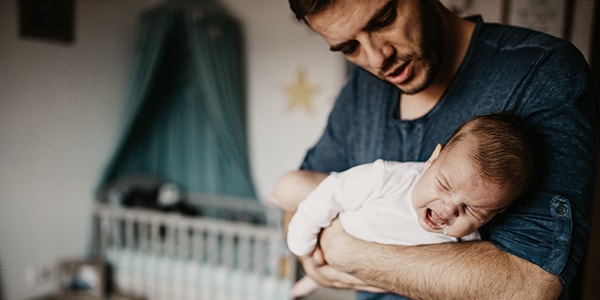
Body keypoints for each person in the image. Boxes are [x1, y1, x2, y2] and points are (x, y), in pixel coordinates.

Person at [283, 0, 597, 299]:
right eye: (349, 48)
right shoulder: (359, 92)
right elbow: (296, 200)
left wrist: (342, 248)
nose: (377, 59)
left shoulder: (540, 72)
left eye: (384, 20)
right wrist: (308, 254)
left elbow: (529, 286)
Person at [270, 113, 536, 297]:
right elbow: (330, 195)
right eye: (444, 185)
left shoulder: (469, 240)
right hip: (345, 214)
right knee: (291, 186)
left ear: (493, 214)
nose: (450, 209)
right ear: (433, 159)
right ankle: (310, 273)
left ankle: (312, 281)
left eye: (471, 209)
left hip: (372, 270)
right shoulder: (388, 178)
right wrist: (301, 247)